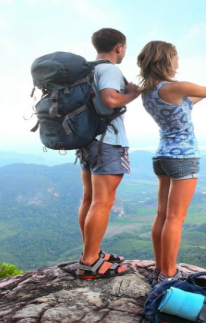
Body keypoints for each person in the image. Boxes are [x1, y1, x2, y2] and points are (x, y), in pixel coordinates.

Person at [136, 41, 206, 283]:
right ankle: (169, 273)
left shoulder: (150, 92)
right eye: (175, 57)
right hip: (184, 157)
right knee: (175, 218)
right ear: (166, 60)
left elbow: (190, 102)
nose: (178, 62)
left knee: (162, 215)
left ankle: (160, 268)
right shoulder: (176, 86)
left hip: (162, 156)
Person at [76, 28, 141, 279]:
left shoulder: (87, 69)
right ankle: (90, 262)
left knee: (89, 199)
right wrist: (132, 94)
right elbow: (111, 99)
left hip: (88, 140)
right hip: (108, 142)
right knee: (103, 201)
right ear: (119, 47)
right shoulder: (110, 69)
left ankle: (90, 253)